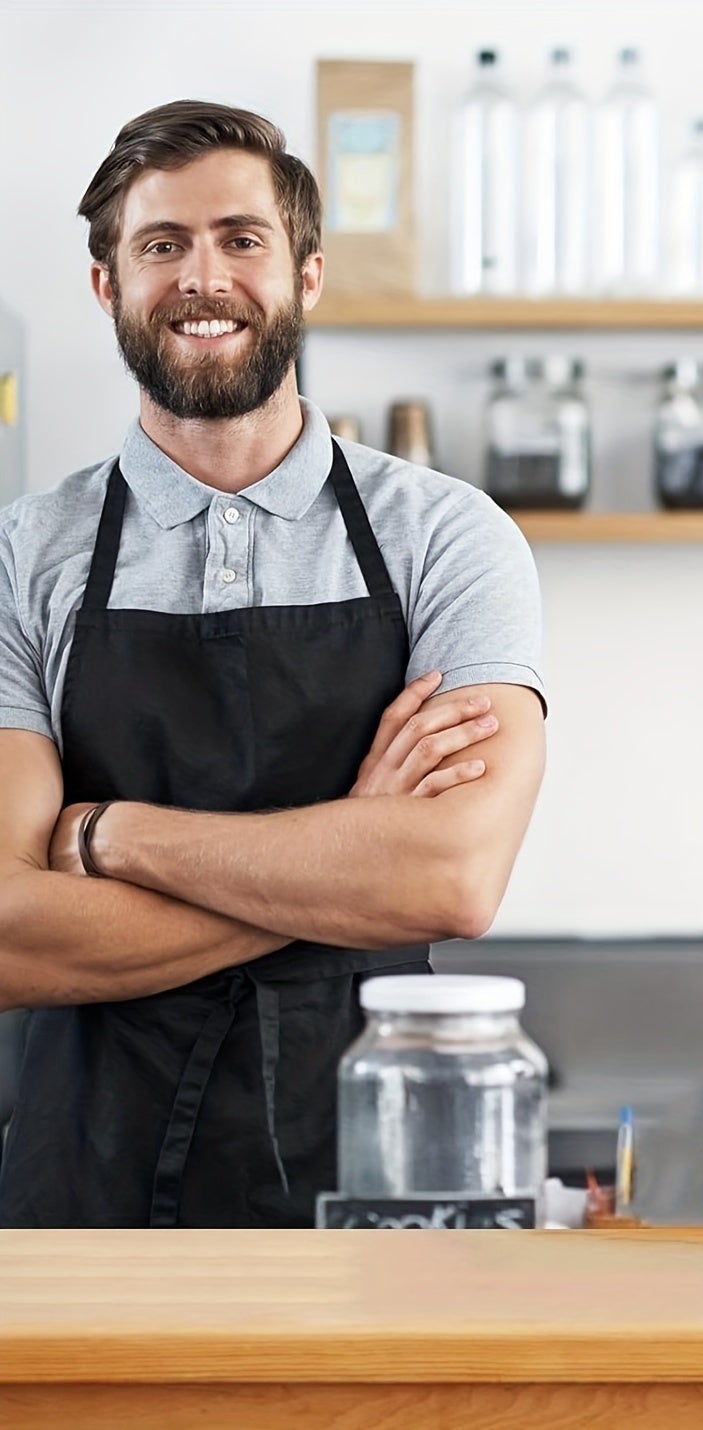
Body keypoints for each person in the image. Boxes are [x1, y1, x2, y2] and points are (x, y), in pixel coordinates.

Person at [0, 101, 547, 1227]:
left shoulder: (447, 535)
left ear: (306, 274)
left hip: (379, 1162)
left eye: (240, 239)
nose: (204, 278)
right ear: (108, 285)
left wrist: (111, 836)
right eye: (162, 245)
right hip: (77, 1182)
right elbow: (6, 934)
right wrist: (350, 857)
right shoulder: (23, 554)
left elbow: (448, 879)